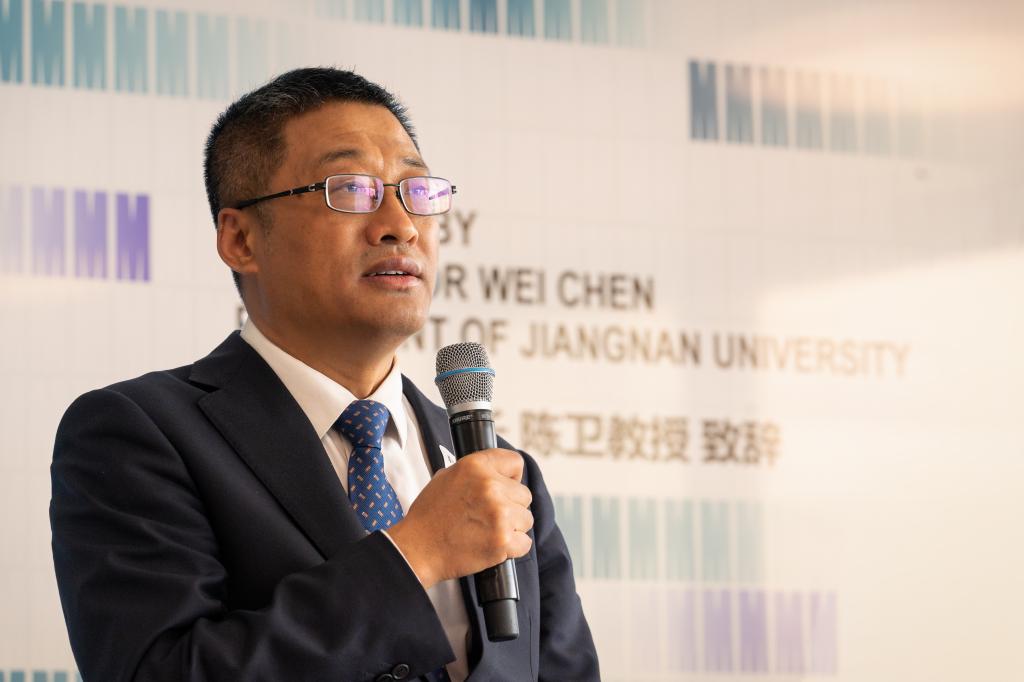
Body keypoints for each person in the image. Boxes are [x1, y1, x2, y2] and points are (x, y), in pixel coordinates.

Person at [49, 67, 599, 682]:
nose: (401, 225)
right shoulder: (137, 433)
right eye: (352, 190)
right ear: (241, 239)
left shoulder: (497, 470)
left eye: (415, 191)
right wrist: (413, 555)